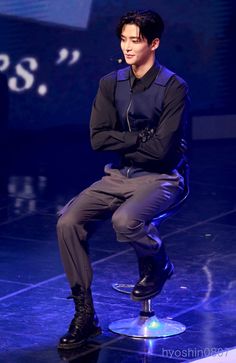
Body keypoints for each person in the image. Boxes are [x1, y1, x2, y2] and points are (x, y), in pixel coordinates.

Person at [57, 9, 190, 350]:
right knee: (68, 221)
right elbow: (98, 139)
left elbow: (163, 150)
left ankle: (158, 263)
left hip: (163, 177)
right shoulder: (110, 83)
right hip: (119, 174)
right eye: (124, 40)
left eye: (136, 40)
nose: (128, 47)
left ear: (154, 43)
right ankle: (85, 315)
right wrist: (141, 138)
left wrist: (137, 141)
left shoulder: (173, 87)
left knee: (126, 220)